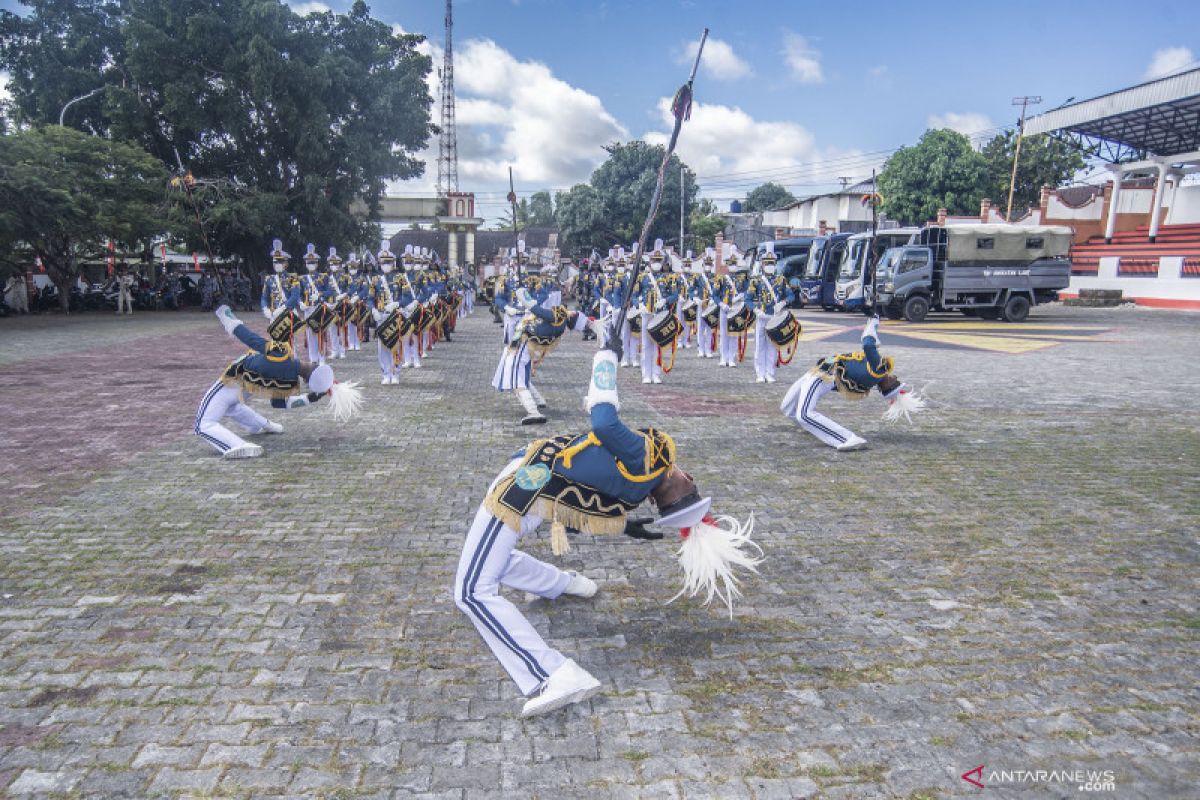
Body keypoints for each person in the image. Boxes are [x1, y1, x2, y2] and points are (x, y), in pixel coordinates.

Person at [457, 332, 763, 717]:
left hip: (519, 491)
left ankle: (552, 675)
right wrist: (626, 527)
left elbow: (603, 421)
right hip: (533, 494)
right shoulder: (635, 493)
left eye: (692, 484)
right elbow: (583, 512)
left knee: (471, 591)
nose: (691, 475)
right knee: (496, 560)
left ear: (671, 488)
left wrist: (607, 356)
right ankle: (565, 584)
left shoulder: (646, 459)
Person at [195, 305, 362, 459]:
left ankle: (237, 445)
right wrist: (312, 397)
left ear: (312, 365)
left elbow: (251, 339)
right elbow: (279, 404)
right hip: (243, 392)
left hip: (231, 383)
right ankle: (263, 425)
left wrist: (229, 320)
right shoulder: (289, 382)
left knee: (203, 424)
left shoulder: (282, 353)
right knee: (233, 407)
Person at [780, 316, 926, 450]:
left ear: (887, 384)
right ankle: (813, 427)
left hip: (823, 376)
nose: (895, 376)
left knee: (804, 414)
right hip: (818, 371)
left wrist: (874, 322)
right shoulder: (873, 375)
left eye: (895, 381)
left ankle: (848, 438)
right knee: (787, 407)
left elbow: (868, 344)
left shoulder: (878, 370)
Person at [492, 290, 594, 424]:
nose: (573, 311)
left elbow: (537, 310)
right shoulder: (561, 326)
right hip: (525, 346)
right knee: (521, 376)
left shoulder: (557, 317)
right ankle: (539, 400)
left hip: (521, 347)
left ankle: (533, 412)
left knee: (516, 380)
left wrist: (525, 300)